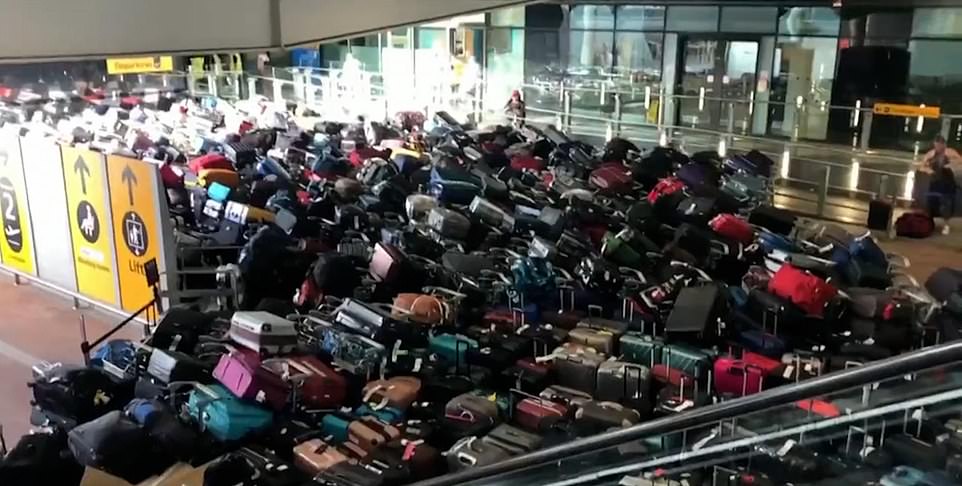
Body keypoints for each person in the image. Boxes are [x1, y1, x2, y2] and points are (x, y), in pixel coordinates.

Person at [920, 135, 961, 235]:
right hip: (935, 181)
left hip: (948, 182)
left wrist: (951, 165)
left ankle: (946, 224)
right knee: (931, 202)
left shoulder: (950, 153)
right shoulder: (930, 154)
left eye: (939, 146)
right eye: (936, 146)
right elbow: (921, 166)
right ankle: (929, 223)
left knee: (946, 203)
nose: (938, 148)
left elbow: (960, 161)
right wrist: (928, 170)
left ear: (943, 145)